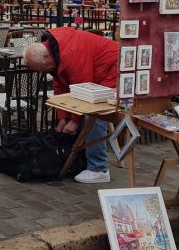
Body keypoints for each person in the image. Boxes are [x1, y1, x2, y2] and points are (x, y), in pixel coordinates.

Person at [24, 28, 119, 183]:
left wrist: (74, 120)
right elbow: (60, 87)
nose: (41, 73)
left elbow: (83, 88)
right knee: (89, 109)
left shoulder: (71, 54)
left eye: (41, 69)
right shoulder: (55, 52)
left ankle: (99, 168)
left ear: (47, 57)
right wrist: (62, 118)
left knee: (93, 113)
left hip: (114, 68)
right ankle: (86, 160)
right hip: (100, 72)